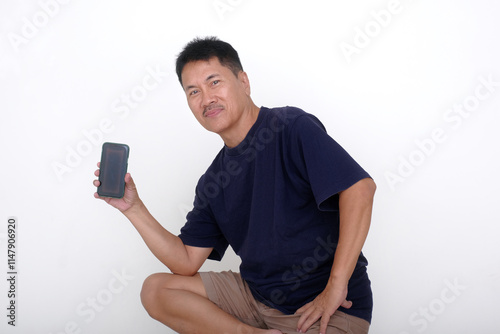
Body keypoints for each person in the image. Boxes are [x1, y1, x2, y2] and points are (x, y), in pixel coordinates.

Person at [93, 36, 376, 334]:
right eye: (194, 92)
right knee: (156, 290)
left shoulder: (291, 126)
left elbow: (360, 189)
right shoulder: (213, 180)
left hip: (324, 310)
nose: (206, 99)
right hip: (256, 300)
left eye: (214, 82)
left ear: (244, 82)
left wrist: (335, 286)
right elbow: (187, 261)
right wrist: (133, 208)